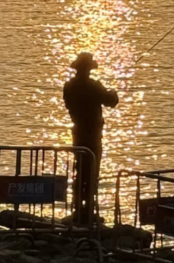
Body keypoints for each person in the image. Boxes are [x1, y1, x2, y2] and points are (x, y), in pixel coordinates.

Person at [63, 52, 119, 223]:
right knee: (92, 172)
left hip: (77, 133)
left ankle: (78, 208)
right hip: (93, 135)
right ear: (88, 69)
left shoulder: (69, 86)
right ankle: (88, 210)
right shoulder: (94, 86)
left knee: (79, 171)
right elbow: (111, 101)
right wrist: (113, 92)